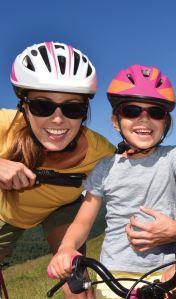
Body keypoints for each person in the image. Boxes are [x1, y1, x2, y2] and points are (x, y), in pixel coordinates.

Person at [48, 64, 176, 298]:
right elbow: (83, 222)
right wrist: (66, 248)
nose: (144, 120)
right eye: (131, 111)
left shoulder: (172, 155)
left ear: (165, 122)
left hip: (168, 270)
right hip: (115, 273)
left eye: (155, 112)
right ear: (116, 122)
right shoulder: (105, 167)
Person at [0, 41, 115, 298]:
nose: (58, 119)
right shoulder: (4, 124)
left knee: (74, 273)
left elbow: (144, 178)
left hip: (61, 209)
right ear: (24, 106)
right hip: (6, 211)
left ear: (84, 112)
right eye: (43, 106)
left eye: (72, 108)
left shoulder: (101, 151)